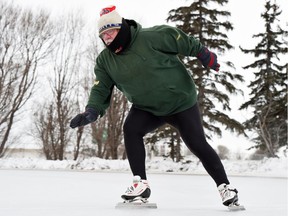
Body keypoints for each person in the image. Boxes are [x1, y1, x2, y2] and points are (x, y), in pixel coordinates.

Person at [70, 5, 241, 207]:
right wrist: (92, 110)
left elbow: (178, 37)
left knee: (197, 144)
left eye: (110, 32)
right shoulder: (105, 61)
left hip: (180, 102)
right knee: (131, 129)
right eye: (103, 35)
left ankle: (225, 188)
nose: (107, 38)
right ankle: (140, 184)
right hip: (147, 108)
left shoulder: (150, 37)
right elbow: (101, 89)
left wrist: (202, 53)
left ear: (121, 27)